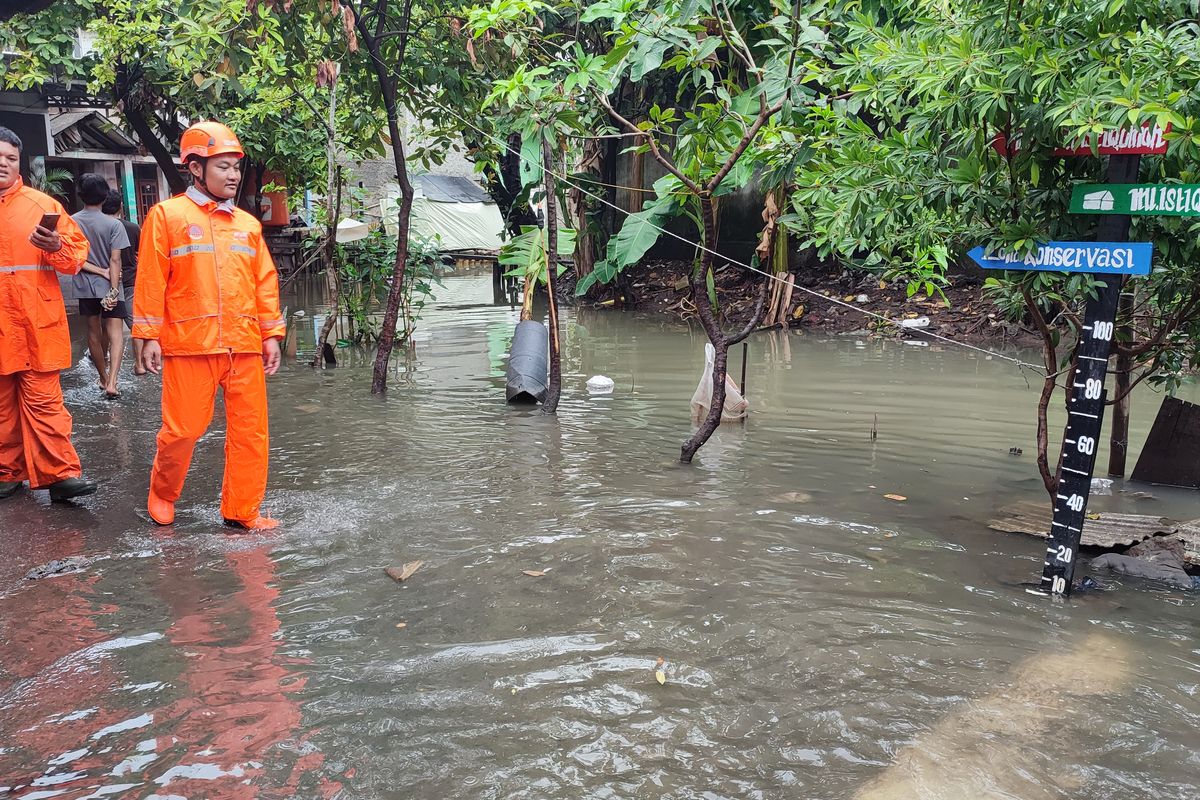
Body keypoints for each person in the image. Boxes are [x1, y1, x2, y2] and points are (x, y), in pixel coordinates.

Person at [133, 121, 285, 530]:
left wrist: (271, 334)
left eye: (236, 166)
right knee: (183, 431)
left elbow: (264, 283)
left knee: (251, 434)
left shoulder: (248, 226)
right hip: (189, 344)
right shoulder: (167, 216)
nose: (233, 174)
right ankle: (163, 493)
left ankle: (241, 511)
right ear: (196, 168)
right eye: (223, 166)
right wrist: (146, 336)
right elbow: (151, 278)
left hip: (244, 345)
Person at [0, 126, 98, 502]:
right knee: (2, 406)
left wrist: (56, 245)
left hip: (37, 324)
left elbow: (76, 258)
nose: (5, 165)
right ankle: (8, 473)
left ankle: (60, 475)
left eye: (11, 159)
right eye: (0, 158)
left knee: (45, 403)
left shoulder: (43, 206)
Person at [71, 174, 128, 398]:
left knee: (94, 333)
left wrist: (96, 270)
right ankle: (114, 382)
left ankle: (103, 378)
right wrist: (113, 287)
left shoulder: (72, 222)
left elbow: (74, 258)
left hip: (85, 287)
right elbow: (115, 260)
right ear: (105, 197)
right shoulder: (114, 224)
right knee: (115, 334)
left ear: (80, 195)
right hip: (110, 285)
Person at [102, 189, 145, 375]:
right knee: (135, 324)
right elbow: (140, 253)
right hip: (130, 280)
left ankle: (104, 368)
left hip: (105, 280)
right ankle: (139, 364)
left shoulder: (101, 227)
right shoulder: (133, 228)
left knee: (107, 327)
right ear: (121, 206)